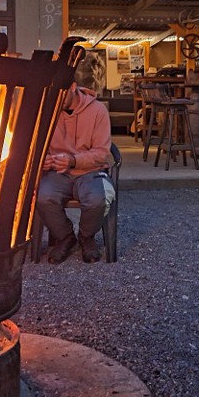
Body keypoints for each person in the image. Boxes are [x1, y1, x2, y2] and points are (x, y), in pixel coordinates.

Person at [37, 75, 114, 264]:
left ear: (72, 86)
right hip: (57, 172)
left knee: (99, 199)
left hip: (91, 170)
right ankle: (65, 236)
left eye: (59, 95)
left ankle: (86, 237)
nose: (55, 101)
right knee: (41, 197)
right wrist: (41, 160)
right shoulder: (46, 110)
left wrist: (73, 160)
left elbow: (102, 153)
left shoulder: (97, 110)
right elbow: (35, 146)